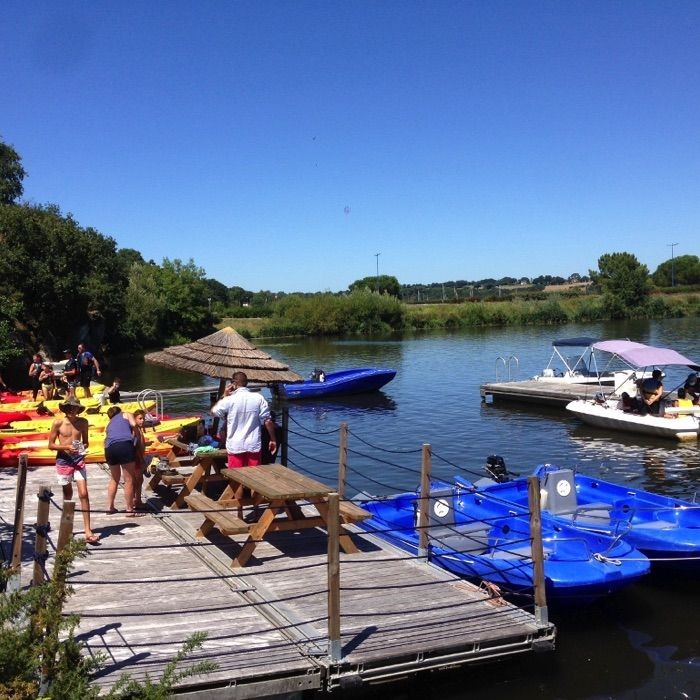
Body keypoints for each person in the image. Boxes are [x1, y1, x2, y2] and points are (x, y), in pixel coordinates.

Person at [211, 371, 277, 520]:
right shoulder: (258, 398)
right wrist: (273, 439)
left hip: (235, 445)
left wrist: (224, 396)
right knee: (255, 479)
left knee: (236, 480)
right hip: (253, 444)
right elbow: (267, 420)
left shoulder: (229, 399)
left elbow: (214, 412)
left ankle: (240, 513)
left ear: (234, 384)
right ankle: (256, 511)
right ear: (247, 383)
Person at [47, 396, 99, 544]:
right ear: (65, 409)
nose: (72, 410)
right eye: (69, 407)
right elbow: (50, 445)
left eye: (74, 407)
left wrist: (81, 447)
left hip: (78, 460)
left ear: (78, 409)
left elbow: (86, 442)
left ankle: (88, 530)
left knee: (84, 494)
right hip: (63, 460)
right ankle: (67, 527)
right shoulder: (58, 423)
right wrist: (66, 447)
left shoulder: (83, 422)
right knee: (68, 494)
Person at [104, 405, 142, 516]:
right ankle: (129, 509)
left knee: (114, 478)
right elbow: (134, 424)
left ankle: (110, 507)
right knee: (128, 480)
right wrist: (137, 436)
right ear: (119, 411)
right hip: (124, 445)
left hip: (109, 448)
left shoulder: (109, 424)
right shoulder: (126, 414)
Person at [132, 408, 151, 510]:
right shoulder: (135, 430)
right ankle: (135, 501)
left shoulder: (139, 429)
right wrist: (140, 458)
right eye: (140, 418)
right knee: (136, 480)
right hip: (136, 459)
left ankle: (137, 499)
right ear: (134, 419)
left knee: (139, 480)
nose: (142, 420)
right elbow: (135, 446)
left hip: (138, 457)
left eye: (143, 418)